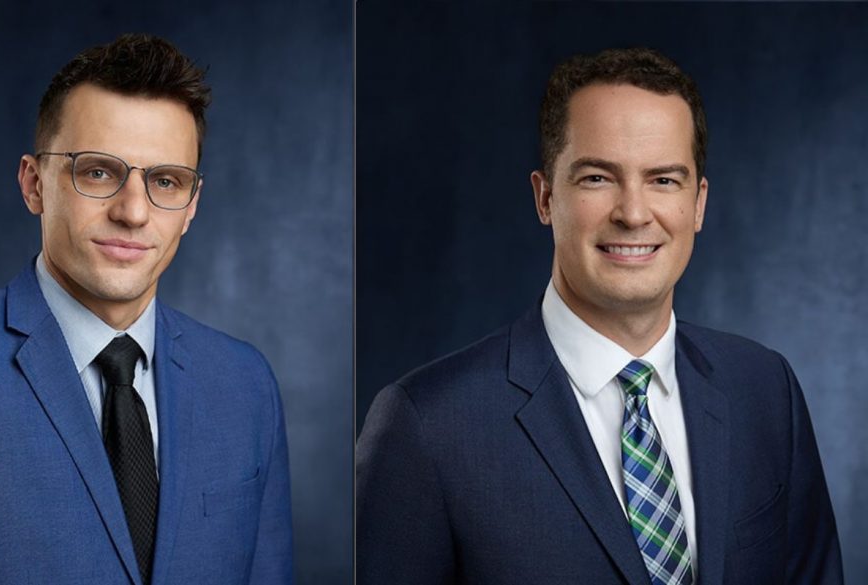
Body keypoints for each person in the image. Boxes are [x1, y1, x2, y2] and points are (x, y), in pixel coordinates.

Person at [356, 47, 842, 584]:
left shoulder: (766, 391)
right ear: (545, 198)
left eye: (663, 180)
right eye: (597, 178)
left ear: (698, 204)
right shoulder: (426, 425)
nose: (633, 213)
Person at [0, 34, 293, 585]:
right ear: (34, 184)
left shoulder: (246, 384)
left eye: (165, 181)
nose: (133, 212)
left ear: (191, 206)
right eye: (99, 172)